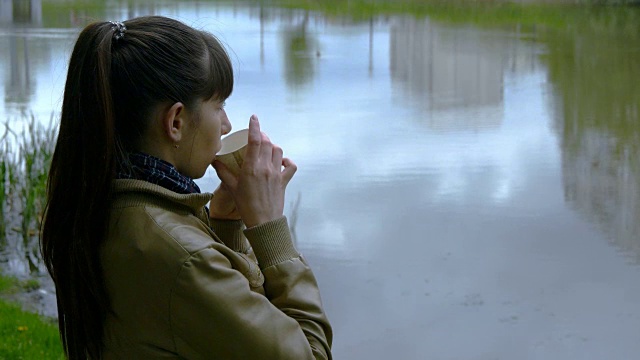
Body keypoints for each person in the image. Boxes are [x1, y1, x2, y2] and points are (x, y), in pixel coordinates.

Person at [41, 16, 332, 359]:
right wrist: (269, 230)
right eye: (219, 106)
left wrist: (225, 224)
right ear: (176, 121)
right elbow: (310, 354)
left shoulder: (101, 201)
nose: (225, 125)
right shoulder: (184, 259)